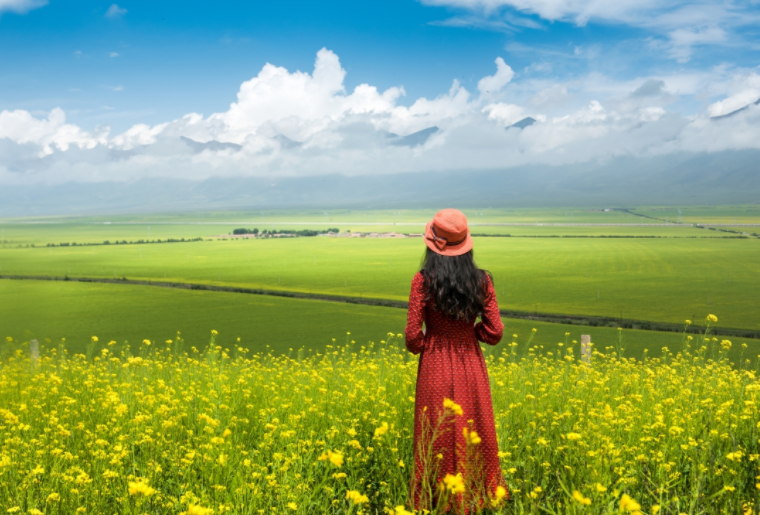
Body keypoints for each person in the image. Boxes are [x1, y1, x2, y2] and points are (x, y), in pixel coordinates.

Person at [404, 208, 508, 512]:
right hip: (470, 364)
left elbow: (412, 337)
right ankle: (477, 498)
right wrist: (473, 332)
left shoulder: (422, 281)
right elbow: (496, 330)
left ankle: (434, 502)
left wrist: (428, 342)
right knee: (474, 429)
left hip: (434, 363)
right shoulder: (482, 280)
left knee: (434, 432)